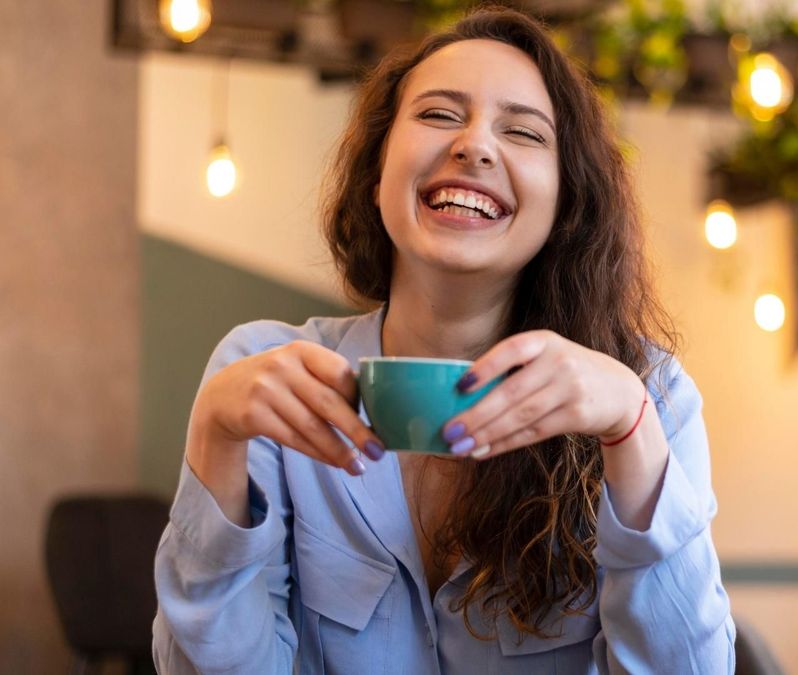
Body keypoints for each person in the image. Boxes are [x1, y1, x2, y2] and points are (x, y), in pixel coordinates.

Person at [152, 7, 735, 674]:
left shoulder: (649, 397)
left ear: (565, 200)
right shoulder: (263, 381)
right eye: (437, 115)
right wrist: (212, 439)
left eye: (522, 131)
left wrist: (630, 431)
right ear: (377, 175)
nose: (475, 145)